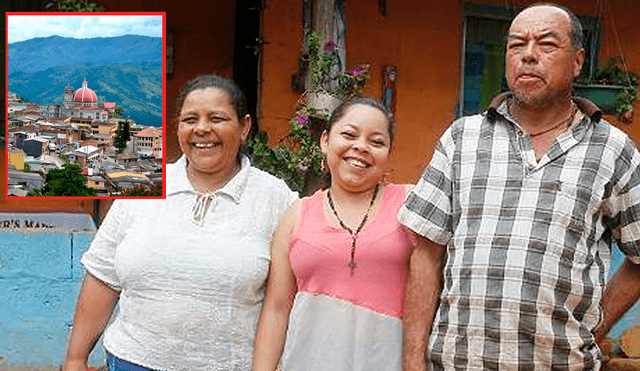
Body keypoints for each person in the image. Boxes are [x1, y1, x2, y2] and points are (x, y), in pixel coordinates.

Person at [399, 4, 640, 370]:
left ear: (577, 62)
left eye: (546, 44)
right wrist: (413, 364)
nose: (528, 54)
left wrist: (594, 327)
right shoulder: (462, 139)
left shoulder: (613, 150)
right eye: (516, 45)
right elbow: (426, 255)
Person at [63, 75, 297, 371]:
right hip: (132, 362)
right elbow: (102, 277)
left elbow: (286, 302)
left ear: (244, 127)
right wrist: (75, 358)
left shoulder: (277, 200)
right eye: (190, 119)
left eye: (217, 118)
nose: (202, 129)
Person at [253, 97, 417, 370]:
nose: (361, 147)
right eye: (349, 135)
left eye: (376, 142)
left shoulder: (410, 206)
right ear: (325, 141)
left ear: (388, 152)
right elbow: (276, 309)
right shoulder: (297, 215)